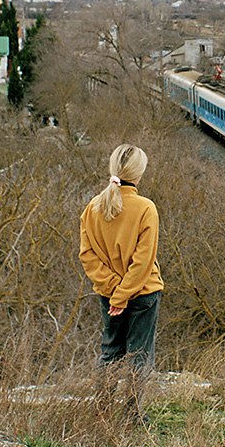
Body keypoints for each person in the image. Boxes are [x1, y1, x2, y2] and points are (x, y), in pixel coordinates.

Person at [79, 144, 164, 373]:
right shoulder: (146, 208)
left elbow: (88, 256)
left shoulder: (92, 208)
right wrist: (123, 294)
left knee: (110, 353)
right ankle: (134, 399)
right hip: (143, 293)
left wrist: (115, 291)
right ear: (139, 173)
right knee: (140, 358)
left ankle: (102, 397)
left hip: (108, 294)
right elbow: (143, 261)